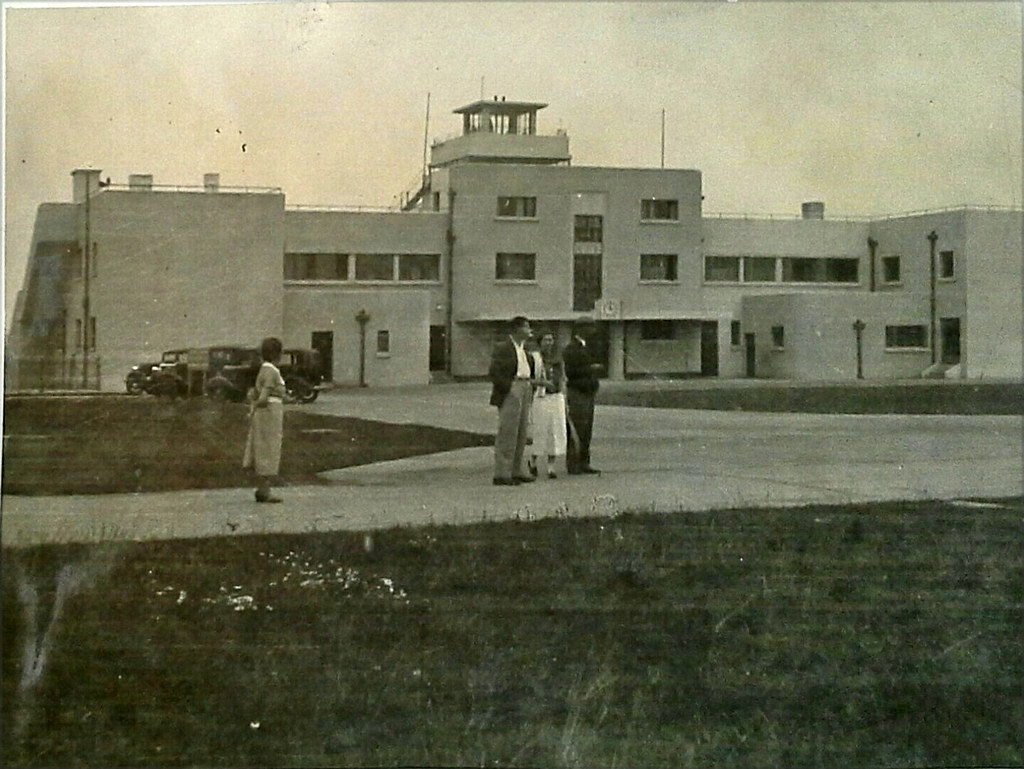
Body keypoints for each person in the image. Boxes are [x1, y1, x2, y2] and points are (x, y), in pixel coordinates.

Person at [488, 316, 537, 486]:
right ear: (517, 329)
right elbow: (495, 371)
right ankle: (502, 473)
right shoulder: (503, 348)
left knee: (521, 432)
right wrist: (508, 388)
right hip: (512, 387)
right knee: (508, 431)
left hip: (525, 386)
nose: (529, 330)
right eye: (526, 327)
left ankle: (516, 470)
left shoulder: (525, 349)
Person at [242, 336, 288, 502]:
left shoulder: (263, 369)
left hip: (267, 413)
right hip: (269, 413)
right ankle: (265, 490)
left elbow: (256, 394)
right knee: (268, 449)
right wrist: (255, 407)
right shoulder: (271, 371)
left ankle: (263, 489)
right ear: (278, 354)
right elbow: (263, 398)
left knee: (264, 448)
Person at [562, 318, 601, 475]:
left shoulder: (586, 347)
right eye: (589, 326)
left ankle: (584, 461)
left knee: (586, 429)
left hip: (587, 392)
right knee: (577, 428)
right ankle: (574, 463)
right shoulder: (571, 349)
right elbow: (571, 372)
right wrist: (590, 369)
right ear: (581, 328)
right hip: (578, 392)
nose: (593, 330)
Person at [528, 332, 567, 479]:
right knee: (540, 430)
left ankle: (551, 466)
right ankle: (533, 461)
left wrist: (564, 396)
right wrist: (542, 383)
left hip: (556, 397)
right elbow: (528, 379)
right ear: (540, 342)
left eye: (551, 340)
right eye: (546, 340)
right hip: (541, 397)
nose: (549, 343)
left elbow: (562, 378)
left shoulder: (558, 358)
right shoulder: (534, 358)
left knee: (555, 431)